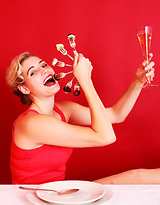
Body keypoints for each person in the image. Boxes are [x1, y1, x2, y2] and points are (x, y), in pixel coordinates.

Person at [6, 51, 156, 185]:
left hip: (57, 194)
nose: (43, 70)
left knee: (138, 176)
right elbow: (105, 137)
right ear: (24, 88)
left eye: (43, 65)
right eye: (33, 73)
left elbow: (116, 115)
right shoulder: (31, 123)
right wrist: (85, 80)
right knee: (137, 177)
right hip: (32, 199)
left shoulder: (64, 109)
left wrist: (137, 82)